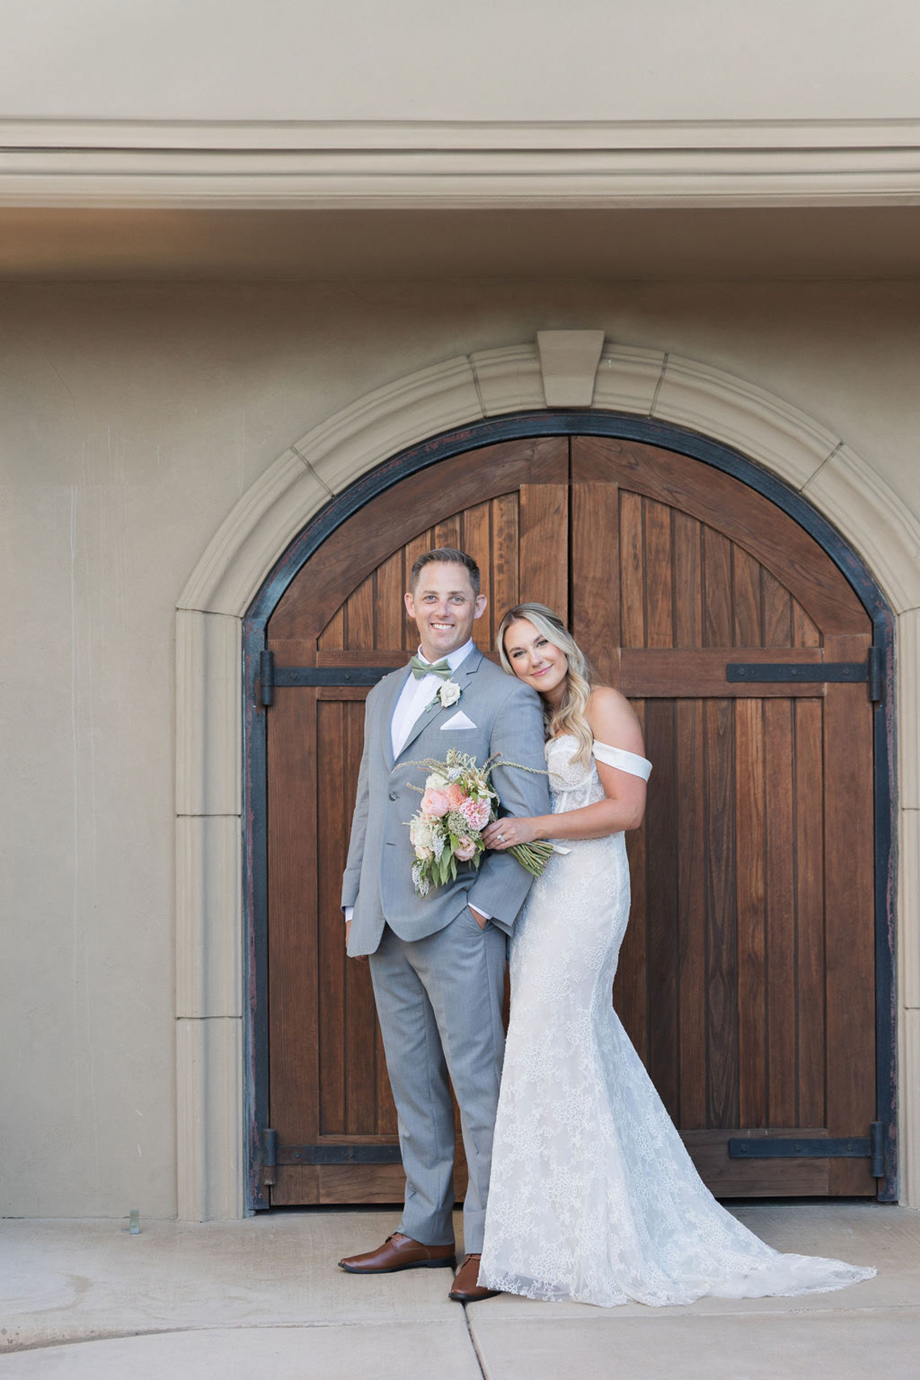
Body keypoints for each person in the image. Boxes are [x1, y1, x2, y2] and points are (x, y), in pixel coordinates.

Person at [477, 602, 876, 1307]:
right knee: (555, 1044)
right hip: (540, 897)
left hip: (587, 889)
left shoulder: (602, 704)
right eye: (517, 651)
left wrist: (531, 826)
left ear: (564, 643)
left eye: (541, 642)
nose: (533, 657)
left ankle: (599, 1238)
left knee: (556, 1034)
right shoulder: (530, 719)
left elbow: (626, 809)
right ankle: (556, 1232)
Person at [337, 551, 551, 1303]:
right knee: (414, 1086)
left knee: (478, 1087)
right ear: (410, 604)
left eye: (457, 598)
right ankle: (425, 1228)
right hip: (383, 921)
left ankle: (491, 1245)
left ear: (478, 607)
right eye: (430, 597)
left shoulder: (505, 696)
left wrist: (486, 911)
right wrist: (354, 898)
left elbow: (526, 818)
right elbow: (370, 801)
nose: (443, 610)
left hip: (460, 920)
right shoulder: (383, 694)